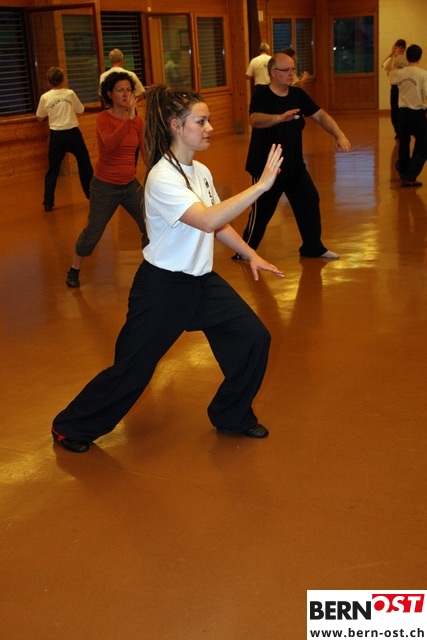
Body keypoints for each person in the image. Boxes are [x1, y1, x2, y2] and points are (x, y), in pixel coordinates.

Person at [52, 84, 284, 453]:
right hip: (162, 289)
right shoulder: (162, 178)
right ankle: (69, 427)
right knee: (133, 369)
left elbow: (218, 222)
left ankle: (231, 414)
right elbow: (206, 220)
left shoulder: (200, 171)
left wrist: (250, 253)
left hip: (201, 283)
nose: (209, 128)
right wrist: (260, 187)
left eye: (208, 121)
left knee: (254, 337)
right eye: (201, 122)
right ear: (176, 125)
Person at [233, 51, 351, 261]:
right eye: (286, 70)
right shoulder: (262, 96)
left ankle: (312, 247)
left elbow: (320, 115)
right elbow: (254, 119)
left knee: (309, 200)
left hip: (294, 166)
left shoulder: (298, 95)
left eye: (293, 69)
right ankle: (244, 251)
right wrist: (279, 118)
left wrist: (339, 134)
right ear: (273, 72)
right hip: (267, 168)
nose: (291, 74)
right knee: (262, 212)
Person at [65, 72, 148, 288]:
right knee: (93, 232)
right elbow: (110, 143)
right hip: (105, 186)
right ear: (110, 94)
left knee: (151, 224)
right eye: (120, 90)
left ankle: (152, 267)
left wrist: (157, 171)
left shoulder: (138, 121)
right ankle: (74, 269)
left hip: (130, 185)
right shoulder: (103, 119)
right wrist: (128, 121)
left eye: (128, 90)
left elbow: (144, 152)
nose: (125, 94)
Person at [36, 66, 93, 212]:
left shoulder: (45, 97)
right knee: (85, 164)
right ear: (63, 80)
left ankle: (48, 202)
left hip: (56, 135)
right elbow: (80, 110)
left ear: (49, 81)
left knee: (53, 168)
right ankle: (92, 195)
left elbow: (39, 117)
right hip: (73, 132)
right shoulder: (70, 94)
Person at [388, 44, 427, 188]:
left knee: (404, 144)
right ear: (420, 57)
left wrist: (394, 56)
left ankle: (403, 168)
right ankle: (409, 176)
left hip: (403, 115)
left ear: (407, 57)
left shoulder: (400, 73)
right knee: (424, 145)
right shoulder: (423, 74)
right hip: (418, 114)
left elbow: (390, 73)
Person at [382, 39, 407, 138]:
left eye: (399, 47)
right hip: (394, 86)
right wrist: (392, 54)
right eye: (396, 47)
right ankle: (397, 130)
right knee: (394, 109)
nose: (397, 49)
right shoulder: (392, 58)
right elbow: (384, 66)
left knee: (403, 109)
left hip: (404, 87)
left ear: (403, 48)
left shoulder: (407, 58)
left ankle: (403, 130)